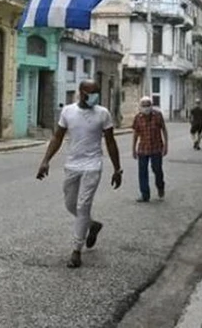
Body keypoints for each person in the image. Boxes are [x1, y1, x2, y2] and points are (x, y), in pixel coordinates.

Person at [36, 80, 122, 269]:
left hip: (93, 165)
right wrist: (45, 161)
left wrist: (117, 169)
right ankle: (93, 225)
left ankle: (76, 251)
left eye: (97, 92)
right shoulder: (68, 111)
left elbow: (110, 142)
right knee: (70, 204)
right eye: (92, 92)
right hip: (72, 164)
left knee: (83, 206)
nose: (96, 96)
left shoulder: (103, 114)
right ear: (82, 93)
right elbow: (57, 137)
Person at [132, 96, 168, 202]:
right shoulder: (138, 118)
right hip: (143, 149)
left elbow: (164, 130)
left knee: (157, 169)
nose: (146, 108)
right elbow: (135, 134)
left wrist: (166, 145)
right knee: (142, 172)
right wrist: (133, 149)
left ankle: (160, 186)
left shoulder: (158, 115)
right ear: (140, 107)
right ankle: (145, 194)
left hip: (156, 148)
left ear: (151, 106)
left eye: (148, 105)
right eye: (143, 105)